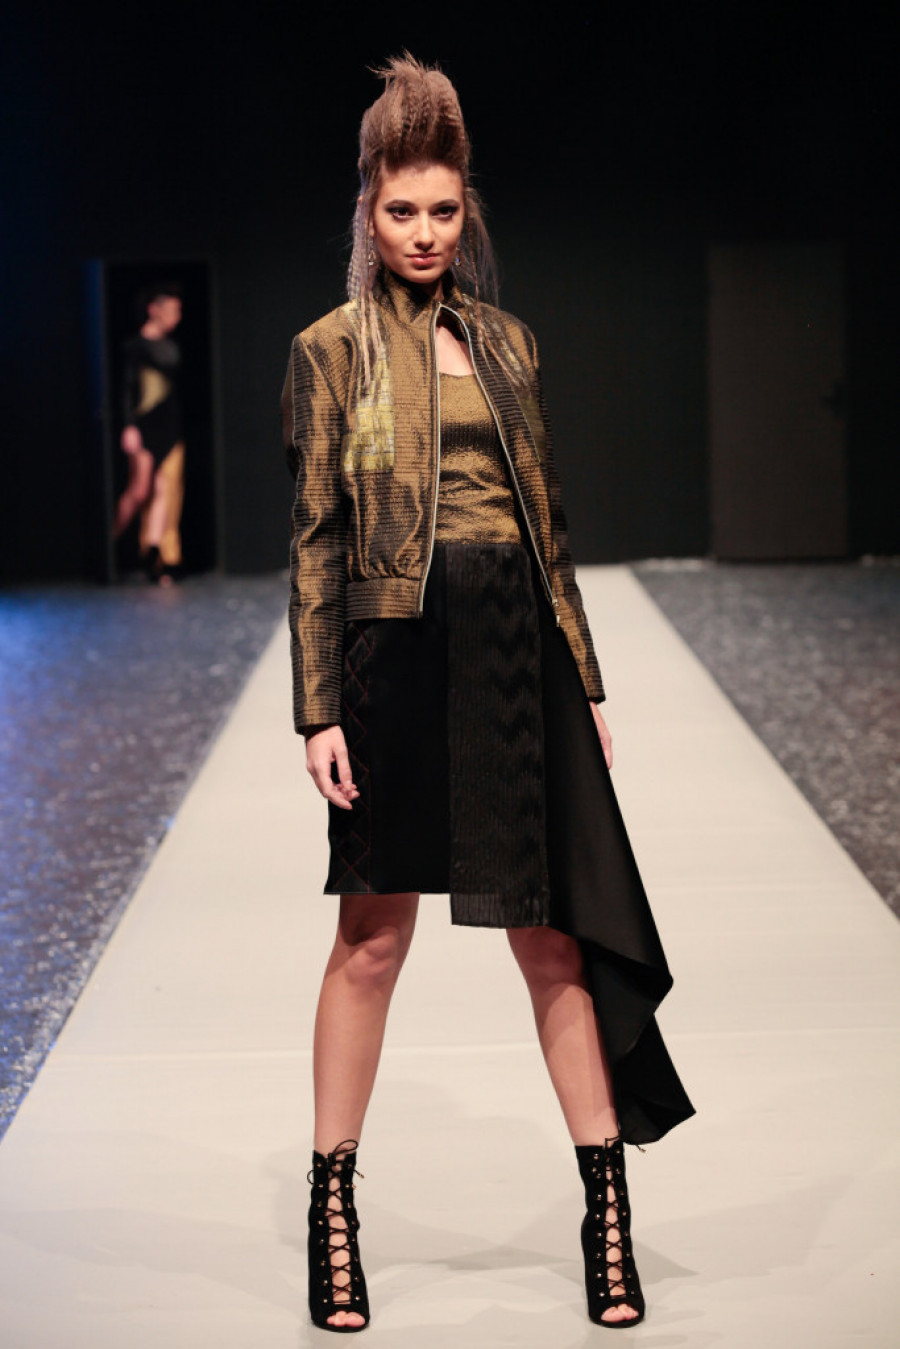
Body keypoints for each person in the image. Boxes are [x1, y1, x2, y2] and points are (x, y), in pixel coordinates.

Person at [282, 55, 694, 1333]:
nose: (424, 232)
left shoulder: (510, 345)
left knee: (554, 938)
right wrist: (318, 705)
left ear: (467, 211)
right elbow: (316, 538)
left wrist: (584, 680)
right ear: (369, 210)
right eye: (402, 210)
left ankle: (606, 1207)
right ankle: (334, 1207)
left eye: (444, 210)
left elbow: (548, 531)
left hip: (517, 649)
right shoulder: (329, 350)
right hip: (394, 657)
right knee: (372, 937)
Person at [114, 282, 185, 584]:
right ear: (154, 309)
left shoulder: (171, 347)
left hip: (167, 425)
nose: (176, 317)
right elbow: (127, 389)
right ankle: (111, 540)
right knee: (140, 489)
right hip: (143, 425)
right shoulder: (135, 347)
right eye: (172, 310)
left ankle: (155, 560)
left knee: (163, 491)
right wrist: (128, 426)